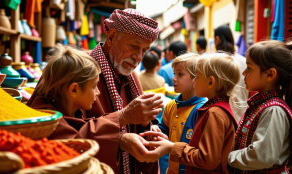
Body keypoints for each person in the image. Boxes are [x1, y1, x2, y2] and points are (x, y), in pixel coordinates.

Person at [27, 9, 163, 174]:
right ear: (111, 36)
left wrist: (147, 129)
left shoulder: (132, 78)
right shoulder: (73, 68)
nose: (139, 57)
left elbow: (135, 130)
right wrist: (121, 126)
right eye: (134, 46)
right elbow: (50, 131)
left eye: (145, 50)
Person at [140, 53, 240, 174]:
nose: (194, 80)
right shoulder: (211, 109)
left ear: (210, 82)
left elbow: (207, 159)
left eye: (197, 76)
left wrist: (172, 147)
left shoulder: (214, 113)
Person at [228, 40, 292, 174]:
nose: (244, 73)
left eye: (249, 68)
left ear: (270, 74)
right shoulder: (261, 104)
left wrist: (228, 157)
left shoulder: (273, 110)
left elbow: (262, 155)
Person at [152, 53, 207, 174]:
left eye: (180, 74)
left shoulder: (203, 110)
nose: (173, 78)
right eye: (174, 73)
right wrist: (154, 129)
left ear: (196, 78)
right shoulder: (171, 106)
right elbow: (165, 130)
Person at [214, 25, 249, 122]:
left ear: (217, 39)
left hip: (219, 119)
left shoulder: (214, 63)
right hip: (242, 120)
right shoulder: (245, 61)